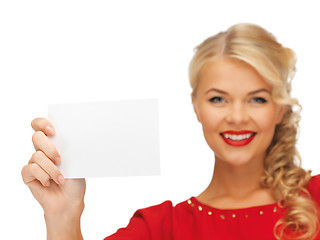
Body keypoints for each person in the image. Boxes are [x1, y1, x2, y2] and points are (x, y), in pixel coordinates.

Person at [21, 23, 320, 240]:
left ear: (280, 108)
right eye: (218, 98)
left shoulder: (315, 197)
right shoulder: (160, 229)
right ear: (196, 106)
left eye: (257, 99)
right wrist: (63, 216)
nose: (237, 116)